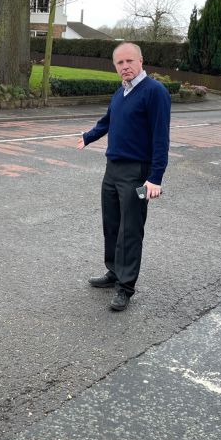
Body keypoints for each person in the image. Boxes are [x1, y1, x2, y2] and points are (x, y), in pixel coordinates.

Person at [77, 42, 171, 311]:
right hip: (113, 169)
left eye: (129, 61)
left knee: (131, 229)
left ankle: (125, 287)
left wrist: (155, 177)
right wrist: (89, 136)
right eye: (119, 63)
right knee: (112, 225)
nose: (124, 66)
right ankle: (113, 272)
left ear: (141, 60)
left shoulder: (155, 92)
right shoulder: (121, 92)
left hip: (138, 174)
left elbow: (161, 138)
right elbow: (108, 121)